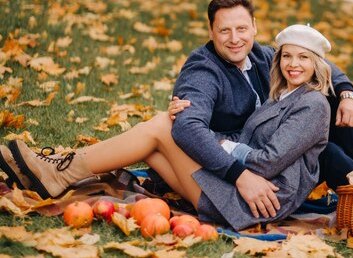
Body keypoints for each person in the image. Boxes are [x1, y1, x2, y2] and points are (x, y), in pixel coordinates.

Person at [0, 24, 335, 231]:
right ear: (278, 59)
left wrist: (223, 147)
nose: (294, 64)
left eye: (304, 59)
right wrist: (222, 143)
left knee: (162, 125)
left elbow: (267, 162)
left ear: (317, 65)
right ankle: (59, 168)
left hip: (257, 200)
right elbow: (244, 141)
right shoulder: (283, 94)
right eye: (288, 57)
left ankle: (61, 171)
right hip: (243, 188)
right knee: (160, 135)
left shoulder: (314, 104)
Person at [167, 0, 353, 219]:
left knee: (332, 106)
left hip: (274, 146)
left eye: (241, 29)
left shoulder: (262, 56)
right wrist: (228, 153)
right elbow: (189, 126)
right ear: (211, 31)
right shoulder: (204, 69)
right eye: (225, 30)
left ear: (254, 27)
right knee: (328, 151)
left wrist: (347, 93)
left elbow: (318, 61)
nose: (235, 39)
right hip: (241, 157)